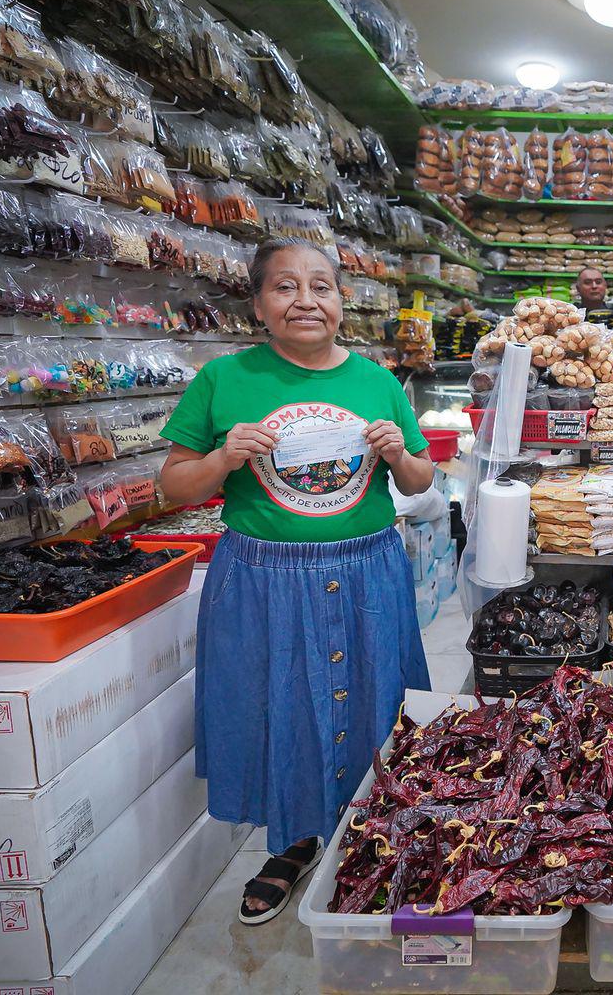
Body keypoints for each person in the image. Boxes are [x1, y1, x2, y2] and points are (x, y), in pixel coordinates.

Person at [157, 238, 435, 925]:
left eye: (322, 287)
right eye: (285, 287)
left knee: (377, 701)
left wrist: (400, 455)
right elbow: (171, 485)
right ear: (258, 303)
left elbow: (422, 481)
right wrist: (224, 456)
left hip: (369, 570)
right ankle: (294, 844)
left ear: (342, 303)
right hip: (263, 580)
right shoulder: (224, 379)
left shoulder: (376, 380)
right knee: (280, 708)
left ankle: (379, 835)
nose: (306, 300)